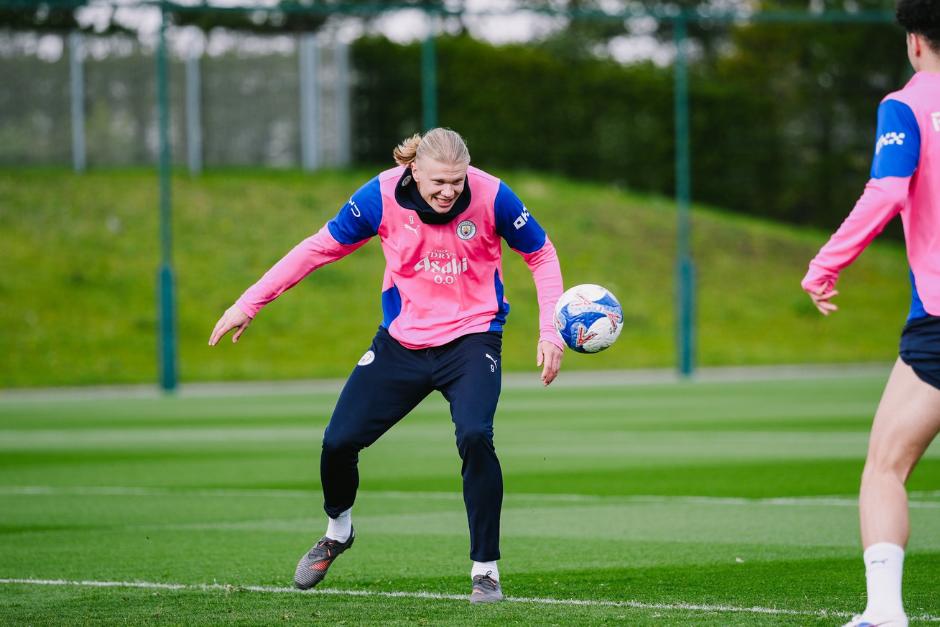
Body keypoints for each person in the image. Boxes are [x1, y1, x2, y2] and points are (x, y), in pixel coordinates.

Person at [209, 128, 565, 603]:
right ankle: (338, 531)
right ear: (413, 169)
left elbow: (540, 254)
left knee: (476, 436)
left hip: (472, 338)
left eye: (457, 181)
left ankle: (485, 571)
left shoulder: (493, 195)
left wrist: (550, 332)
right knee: (337, 442)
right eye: (438, 181)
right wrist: (249, 303)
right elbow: (319, 248)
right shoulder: (378, 196)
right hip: (402, 343)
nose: (448, 191)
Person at [801, 2, 940, 625]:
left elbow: (887, 190)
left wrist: (826, 263)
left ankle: (885, 612)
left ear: (915, 41)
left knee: (886, 466)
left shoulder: (907, 105)